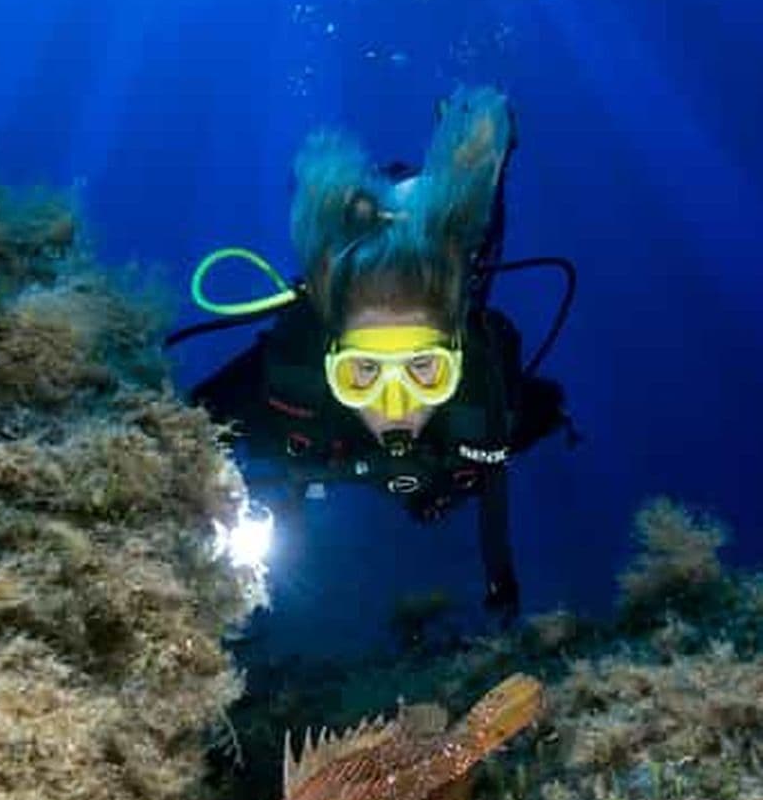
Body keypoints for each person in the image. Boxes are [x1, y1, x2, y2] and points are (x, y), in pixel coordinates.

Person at [184, 87, 578, 625]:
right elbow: (178, 434)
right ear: (328, 364)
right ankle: (454, 177)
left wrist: (499, 576)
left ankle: (480, 165)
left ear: (457, 363)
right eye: (362, 372)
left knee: (477, 272)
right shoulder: (287, 377)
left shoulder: (485, 393)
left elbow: (502, 466)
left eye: (425, 369)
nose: (395, 406)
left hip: (453, 399)